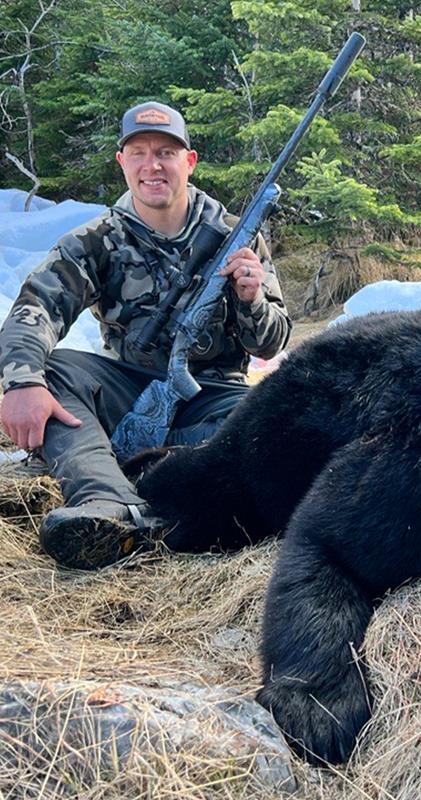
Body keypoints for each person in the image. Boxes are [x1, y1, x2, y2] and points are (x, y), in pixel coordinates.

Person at [0, 101, 291, 569]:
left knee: (281, 416)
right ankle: (108, 502)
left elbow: (273, 343)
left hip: (215, 398)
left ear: (189, 162)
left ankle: (143, 470)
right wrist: (22, 382)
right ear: (122, 162)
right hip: (127, 390)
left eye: (166, 153)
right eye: (139, 153)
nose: (152, 166)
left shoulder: (236, 236)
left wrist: (251, 298)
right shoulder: (96, 238)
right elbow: (36, 306)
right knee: (54, 371)